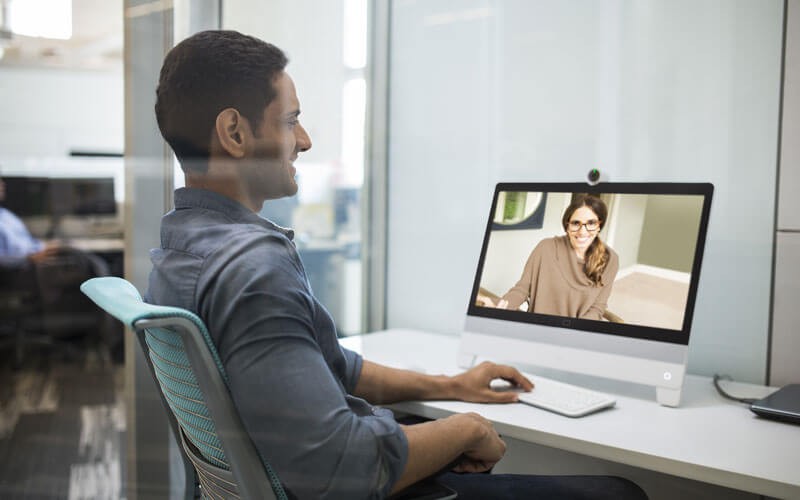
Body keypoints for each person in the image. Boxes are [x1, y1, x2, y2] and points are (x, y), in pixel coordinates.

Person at [147, 30, 646, 499]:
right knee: (624, 492)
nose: (304, 140)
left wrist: (451, 388)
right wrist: (468, 427)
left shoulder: (178, 248)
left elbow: (335, 367)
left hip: (286, 473)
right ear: (234, 132)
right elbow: (341, 468)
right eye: (289, 120)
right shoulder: (253, 270)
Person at [480, 195, 619, 321]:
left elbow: (597, 307)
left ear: (599, 225)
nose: (583, 231)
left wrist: (576, 331)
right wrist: (503, 305)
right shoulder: (546, 247)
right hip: (539, 329)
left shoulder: (611, 259)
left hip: (577, 335)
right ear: (567, 225)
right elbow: (522, 289)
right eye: (576, 223)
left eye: (591, 223)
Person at [0, 177, 61, 267]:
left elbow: (29, 242)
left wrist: (46, 246)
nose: (2, 184)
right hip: (19, 271)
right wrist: (29, 259)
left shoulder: (7, 215)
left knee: (76, 258)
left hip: (37, 261)